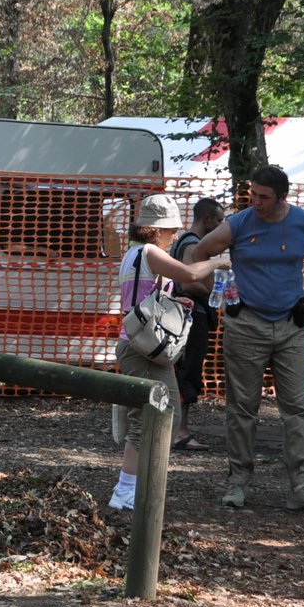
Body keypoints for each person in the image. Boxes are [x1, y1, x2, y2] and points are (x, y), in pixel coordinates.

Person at [189, 164, 304, 513]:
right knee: (242, 408)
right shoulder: (238, 223)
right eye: (252, 194)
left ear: (282, 197)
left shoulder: (303, 223)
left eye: (263, 196)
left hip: (290, 326)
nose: (256, 201)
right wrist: (224, 295)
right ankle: (238, 481)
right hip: (246, 324)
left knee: (297, 408)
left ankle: (303, 485)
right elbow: (199, 254)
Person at [108, 193, 227, 512]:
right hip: (142, 346)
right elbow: (189, 275)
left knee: (165, 413)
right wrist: (217, 261)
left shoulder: (132, 253)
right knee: (148, 420)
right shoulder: (148, 252)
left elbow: (146, 296)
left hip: (141, 344)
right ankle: (125, 491)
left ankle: (139, 485)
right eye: (171, 229)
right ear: (157, 229)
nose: (175, 235)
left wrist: (178, 302)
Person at [168, 196, 226, 450]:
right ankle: (180, 432)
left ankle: (174, 429)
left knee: (181, 370)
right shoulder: (193, 245)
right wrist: (218, 295)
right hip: (193, 316)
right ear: (207, 219)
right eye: (219, 220)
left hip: (182, 314)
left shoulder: (180, 240)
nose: (222, 226)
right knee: (189, 371)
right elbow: (191, 282)